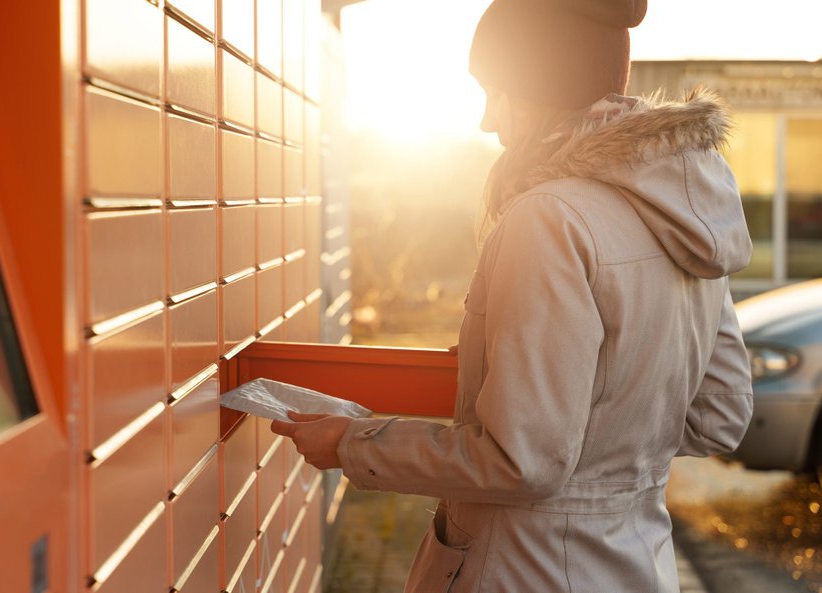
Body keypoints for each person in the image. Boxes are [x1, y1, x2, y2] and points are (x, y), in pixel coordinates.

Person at [271, 0, 755, 590]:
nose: (486, 121)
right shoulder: (689, 210)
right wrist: (605, 459)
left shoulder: (549, 218)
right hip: (639, 565)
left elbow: (521, 461)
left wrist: (351, 443)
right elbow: (720, 416)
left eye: (495, 92)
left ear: (544, 85)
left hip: (529, 568)